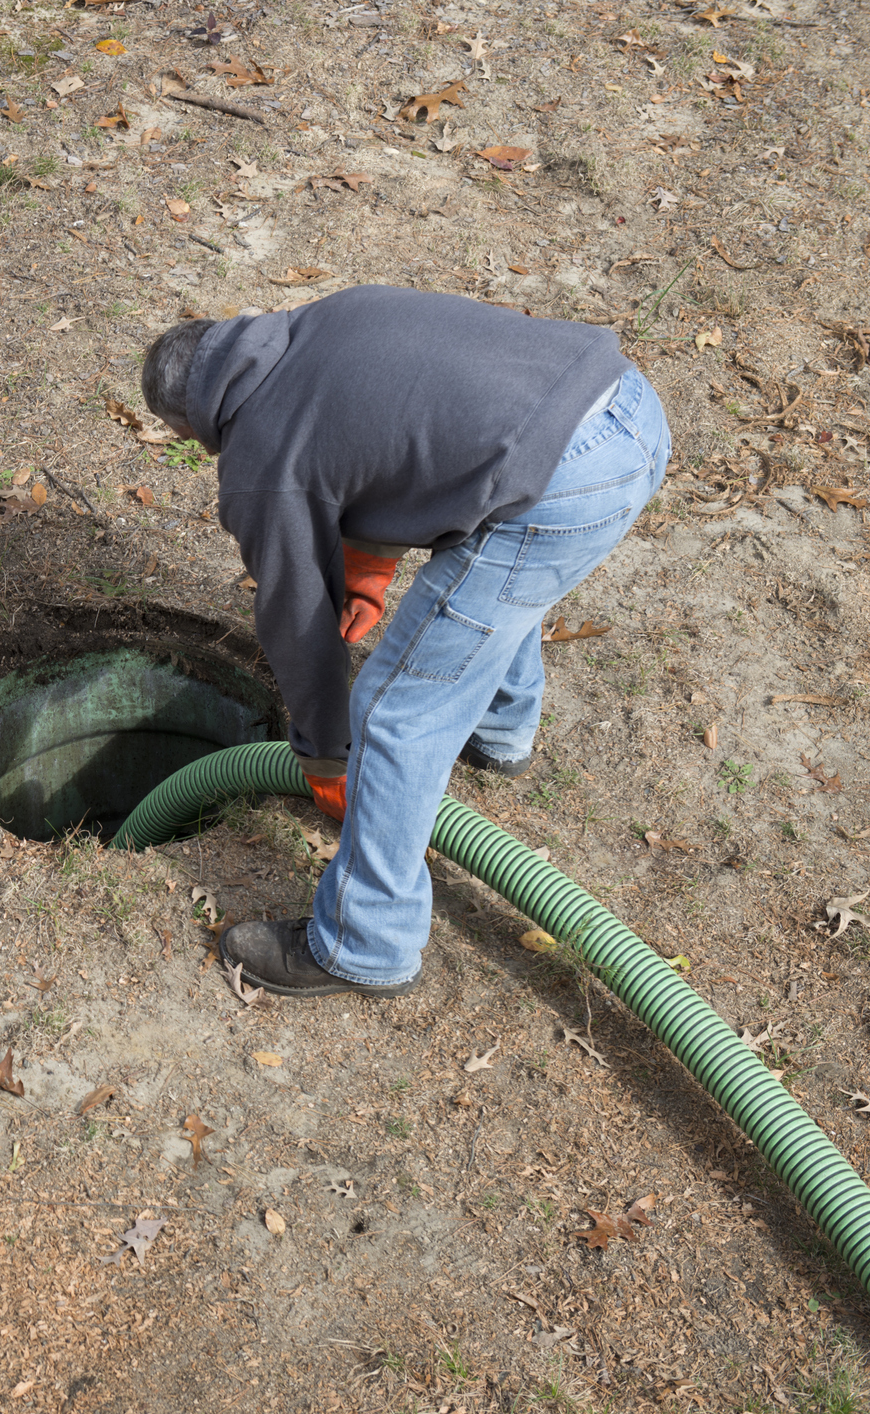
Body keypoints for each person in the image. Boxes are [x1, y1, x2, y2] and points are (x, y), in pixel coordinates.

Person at [141, 285, 669, 1000]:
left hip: (561, 483)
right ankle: (497, 734)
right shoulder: (322, 321)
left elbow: (294, 619)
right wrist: (365, 572)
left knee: (396, 716)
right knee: (499, 589)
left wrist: (328, 753)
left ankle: (364, 945)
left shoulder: (256, 461)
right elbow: (398, 434)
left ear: (189, 421)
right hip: (625, 408)